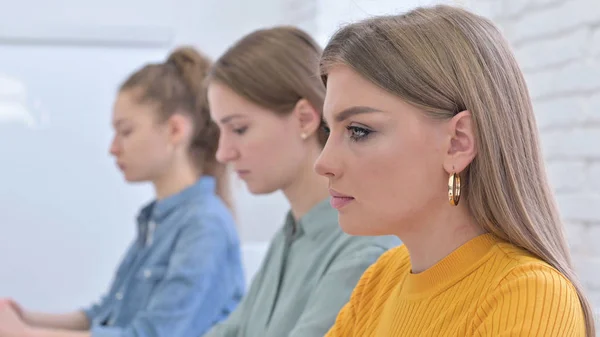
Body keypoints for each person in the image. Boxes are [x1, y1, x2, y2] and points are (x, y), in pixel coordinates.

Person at [314, 4, 595, 337]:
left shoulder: (528, 295)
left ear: (458, 142)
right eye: (329, 131)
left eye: (359, 130)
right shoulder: (382, 278)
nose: (323, 164)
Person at [0, 46, 245, 337]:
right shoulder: (157, 220)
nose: (113, 148)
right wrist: (25, 318)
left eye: (126, 131)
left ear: (175, 131)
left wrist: (24, 333)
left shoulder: (204, 226)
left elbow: (155, 335)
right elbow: (106, 314)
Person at [203, 26, 400, 337]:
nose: (223, 152)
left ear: (305, 118)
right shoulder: (291, 233)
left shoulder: (365, 249)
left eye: (239, 129)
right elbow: (231, 330)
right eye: (220, 131)